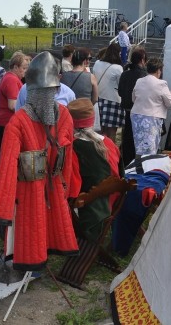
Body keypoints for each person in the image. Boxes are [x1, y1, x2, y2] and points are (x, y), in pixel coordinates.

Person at [0, 51, 79, 270]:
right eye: (44, 92)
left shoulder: (64, 115)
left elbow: (67, 154)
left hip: (53, 183)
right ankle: (30, 264)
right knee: (30, 226)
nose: (49, 96)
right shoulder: (19, 122)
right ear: (33, 91)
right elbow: (8, 165)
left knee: (48, 221)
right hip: (28, 187)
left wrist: (65, 187)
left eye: (52, 91)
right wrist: (3, 206)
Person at [67, 98, 123, 241]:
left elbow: (72, 188)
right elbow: (120, 174)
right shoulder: (109, 142)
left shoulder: (73, 148)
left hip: (89, 208)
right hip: (113, 199)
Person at [130, 57, 171, 155]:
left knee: (139, 146)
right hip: (151, 117)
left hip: (137, 116)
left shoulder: (139, 81)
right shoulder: (161, 84)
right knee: (150, 149)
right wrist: (170, 95)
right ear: (159, 70)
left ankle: (139, 166)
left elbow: (134, 98)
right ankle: (147, 168)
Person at [0, 51, 29, 170]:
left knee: (3, 149)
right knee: (6, 151)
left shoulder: (10, 77)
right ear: (15, 67)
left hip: (4, 119)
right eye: (23, 68)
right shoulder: (12, 80)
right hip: (7, 120)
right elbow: (12, 105)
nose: (25, 71)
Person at [118, 47, 147, 161]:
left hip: (127, 108)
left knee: (127, 137)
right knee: (138, 139)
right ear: (142, 60)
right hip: (139, 110)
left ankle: (126, 161)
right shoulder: (144, 75)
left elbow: (120, 91)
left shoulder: (125, 74)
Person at [92, 43, 123, 141]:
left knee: (99, 132)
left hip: (98, 99)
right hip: (113, 101)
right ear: (118, 53)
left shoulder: (97, 63)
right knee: (111, 133)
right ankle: (111, 154)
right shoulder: (118, 68)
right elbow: (120, 85)